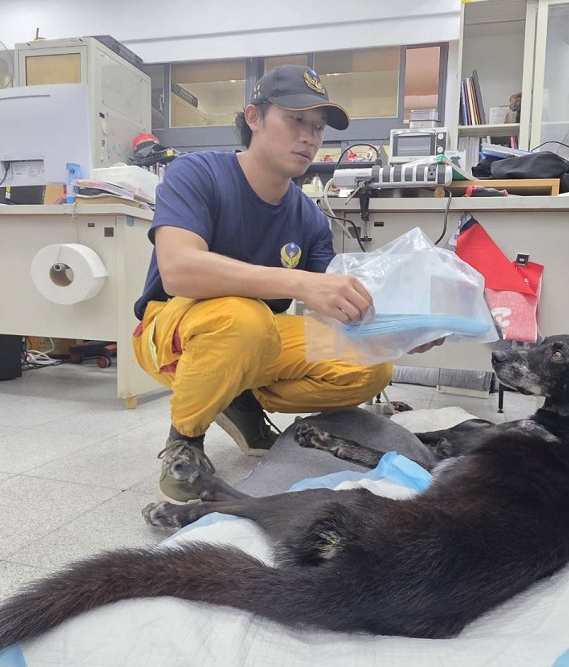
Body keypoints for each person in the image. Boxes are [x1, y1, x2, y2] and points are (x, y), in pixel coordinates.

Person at [133, 65, 424, 503]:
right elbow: (178, 270)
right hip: (171, 329)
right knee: (244, 317)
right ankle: (185, 439)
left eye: (318, 127)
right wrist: (299, 282)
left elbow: (337, 305)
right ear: (254, 117)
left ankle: (237, 394)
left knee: (371, 368)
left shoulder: (309, 217)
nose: (309, 137)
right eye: (295, 120)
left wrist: (406, 330)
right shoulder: (197, 172)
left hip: (254, 338)